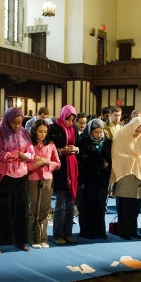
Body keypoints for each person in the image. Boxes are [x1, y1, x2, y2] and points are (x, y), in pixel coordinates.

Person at [0, 107, 35, 253]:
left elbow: (31, 153)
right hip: (5, 175)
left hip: (21, 174)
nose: (17, 126)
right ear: (8, 120)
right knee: (3, 209)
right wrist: (15, 155)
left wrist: (26, 157)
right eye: (14, 123)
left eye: (19, 123)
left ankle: (21, 241)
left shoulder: (25, 133)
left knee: (21, 209)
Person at [110, 117, 141, 240]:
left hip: (139, 174)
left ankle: (133, 230)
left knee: (136, 206)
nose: (138, 133)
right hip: (125, 174)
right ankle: (123, 231)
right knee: (124, 205)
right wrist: (134, 159)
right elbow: (117, 155)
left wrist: (140, 160)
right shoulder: (121, 134)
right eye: (136, 131)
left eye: (140, 131)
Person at [47, 105, 80, 245]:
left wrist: (75, 149)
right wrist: (61, 150)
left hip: (72, 168)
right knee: (60, 203)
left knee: (70, 204)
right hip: (60, 169)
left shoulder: (74, 129)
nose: (69, 122)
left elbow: (79, 145)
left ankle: (68, 232)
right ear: (63, 116)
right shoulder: (54, 128)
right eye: (68, 119)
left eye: (72, 119)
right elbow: (49, 147)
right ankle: (58, 234)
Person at [76, 118, 112, 239]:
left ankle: (99, 231)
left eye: (100, 132)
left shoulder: (106, 142)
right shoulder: (83, 141)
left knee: (100, 206)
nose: (98, 135)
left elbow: (110, 159)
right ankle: (87, 231)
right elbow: (83, 159)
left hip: (102, 180)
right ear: (90, 131)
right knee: (87, 205)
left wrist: (106, 164)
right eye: (96, 132)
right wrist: (100, 162)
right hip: (87, 179)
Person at [27, 119, 60, 248]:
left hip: (47, 179)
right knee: (33, 210)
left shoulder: (51, 144)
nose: (43, 134)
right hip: (33, 179)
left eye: (45, 132)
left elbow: (57, 163)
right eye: (40, 131)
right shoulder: (29, 145)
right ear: (35, 131)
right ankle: (32, 239)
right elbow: (25, 166)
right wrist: (37, 164)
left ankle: (43, 238)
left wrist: (47, 162)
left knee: (45, 210)